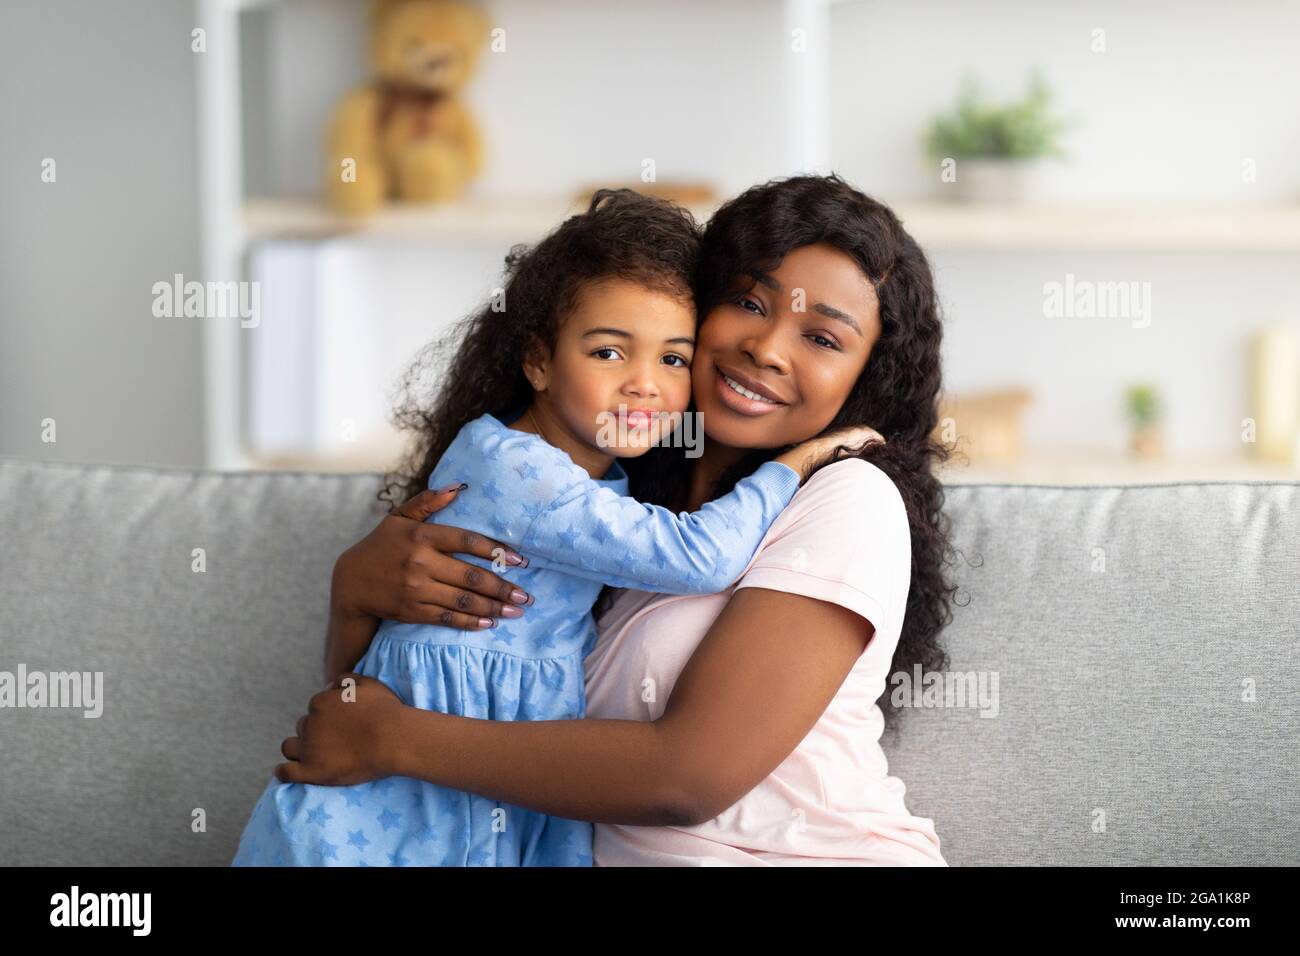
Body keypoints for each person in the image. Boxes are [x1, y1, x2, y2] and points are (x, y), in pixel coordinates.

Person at [277, 174, 956, 865]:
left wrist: (398, 740)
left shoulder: (844, 497)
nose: (768, 347)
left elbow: (685, 777)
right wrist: (353, 592)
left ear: (864, 380)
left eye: (823, 338)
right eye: (749, 301)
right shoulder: (611, 499)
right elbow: (362, 708)